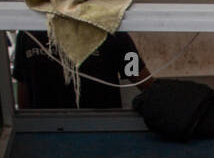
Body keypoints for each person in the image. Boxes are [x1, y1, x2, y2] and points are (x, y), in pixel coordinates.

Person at [12, 29, 150, 108]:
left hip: (103, 127)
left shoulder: (115, 35)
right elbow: (141, 80)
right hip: (46, 127)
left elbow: (138, 76)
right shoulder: (27, 35)